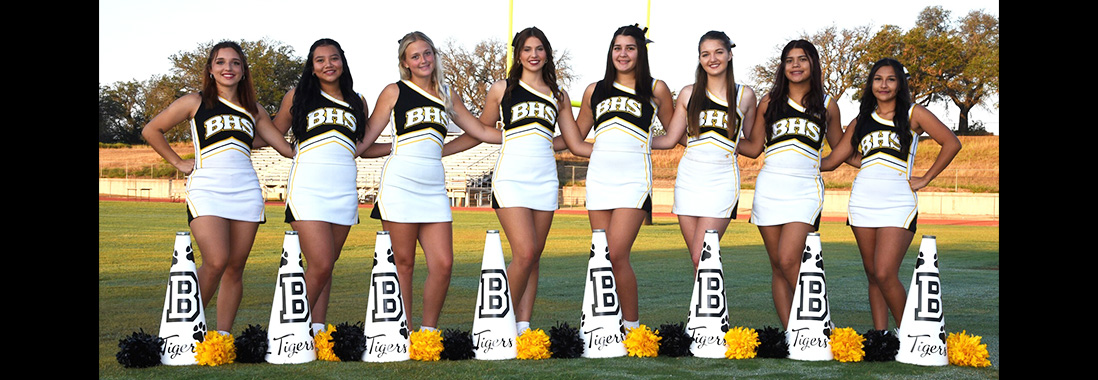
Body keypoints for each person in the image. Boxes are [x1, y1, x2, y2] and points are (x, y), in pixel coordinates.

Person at [439, 27, 587, 334]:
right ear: (518, 54)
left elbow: (572, 141)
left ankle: (522, 328)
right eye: (527, 49)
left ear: (547, 53)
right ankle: (495, 322)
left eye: (539, 49)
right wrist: (441, 149)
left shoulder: (558, 95)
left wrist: (614, 148)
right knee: (525, 252)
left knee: (534, 258)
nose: (533, 55)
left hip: (545, 179)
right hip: (511, 178)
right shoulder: (501, 89)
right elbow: (482, 130)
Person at [142, 41, 291, 335]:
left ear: (244, 70)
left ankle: (221, 337)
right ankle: (185, 329)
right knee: (216, 260)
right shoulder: (194, 102)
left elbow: (283, 147)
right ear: (210, 69)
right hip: (207, 189)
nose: (228, 68)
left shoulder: (254, 109)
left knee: (235, 268)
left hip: (246, 190)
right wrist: (179, 162)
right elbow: (151, 129)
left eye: (235, 63)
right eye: (221, 62)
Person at [357, 31, 501, 332]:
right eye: (415, 56)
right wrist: (395, 146)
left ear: (434, 55)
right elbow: (365, 144)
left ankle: (428, 333)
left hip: (433, 189)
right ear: (405, 63)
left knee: (443, 264)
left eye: (427, 53)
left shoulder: (446, 93)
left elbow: (480, 131)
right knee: (404, 264)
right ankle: (404, 331)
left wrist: (524, 136)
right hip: (399, 186)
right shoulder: (394, 92)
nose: (423, 60)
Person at [821, 58, 961, 331]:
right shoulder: (861, 119)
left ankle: (910, 333)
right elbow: (835, 158)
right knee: (873, 274)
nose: (883, 85)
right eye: (877, 79)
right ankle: (881, 336)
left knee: (885, 273)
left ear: (900, 84)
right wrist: (801, 159)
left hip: (898, 201)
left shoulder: (913, 114)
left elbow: (951, 143)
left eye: (890, 79)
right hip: (862, 200)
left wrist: (926, 178)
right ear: (870, 84)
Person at [573, 24, 675, 330]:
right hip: (599, 180)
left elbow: (672, 136)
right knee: (602, 257)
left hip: (633, 181)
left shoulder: (656, 89)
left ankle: (632, 328)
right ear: (610, 52)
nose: (623, 54)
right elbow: (578, 140)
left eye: (630, 48)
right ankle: (604, 324)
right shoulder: (595, 90)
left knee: (617, 254)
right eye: (617, 48)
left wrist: (639, 146)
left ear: (640, 52)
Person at [737, 39, 842, 329]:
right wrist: (718, 136)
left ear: (813, 64)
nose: (795, 65)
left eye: (803, 59)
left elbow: (840, 148)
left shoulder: (827, 104)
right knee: (777, 266)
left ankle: (822, 325)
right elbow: (754, 146)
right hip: (770, 188)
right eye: (790, 60)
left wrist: (822, 165)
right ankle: (791, 332)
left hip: (805, 189)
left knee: (788, 260)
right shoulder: (769, 102)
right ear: (783, 67)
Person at [271, 38, 370, 334]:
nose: (328, 64)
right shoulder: (297, 96)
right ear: (312, 68)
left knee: (326, 268)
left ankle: (316, 331)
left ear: (343, 61)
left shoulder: (357, 101)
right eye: (320, 60)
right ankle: (288, 329)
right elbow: (274, 131)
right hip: (307, 189)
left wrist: (403, 147)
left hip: (343, 191)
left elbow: (362, 146)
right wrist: (291, 152)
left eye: (334, 58)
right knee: (321, 263)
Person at [663, 31, 757, 271]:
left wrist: (726, 144)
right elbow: (672, 139)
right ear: (700, 59)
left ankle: (711, 308)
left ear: (729, 55)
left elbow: (754, 147)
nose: (712, 58)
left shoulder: (744, 95)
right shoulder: (688, 93)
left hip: (722, 179)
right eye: (705, 54)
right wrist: (634, 139)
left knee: (702, 256)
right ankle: (702, 309)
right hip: (689, 178)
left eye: (718, 52)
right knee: (697, 261)